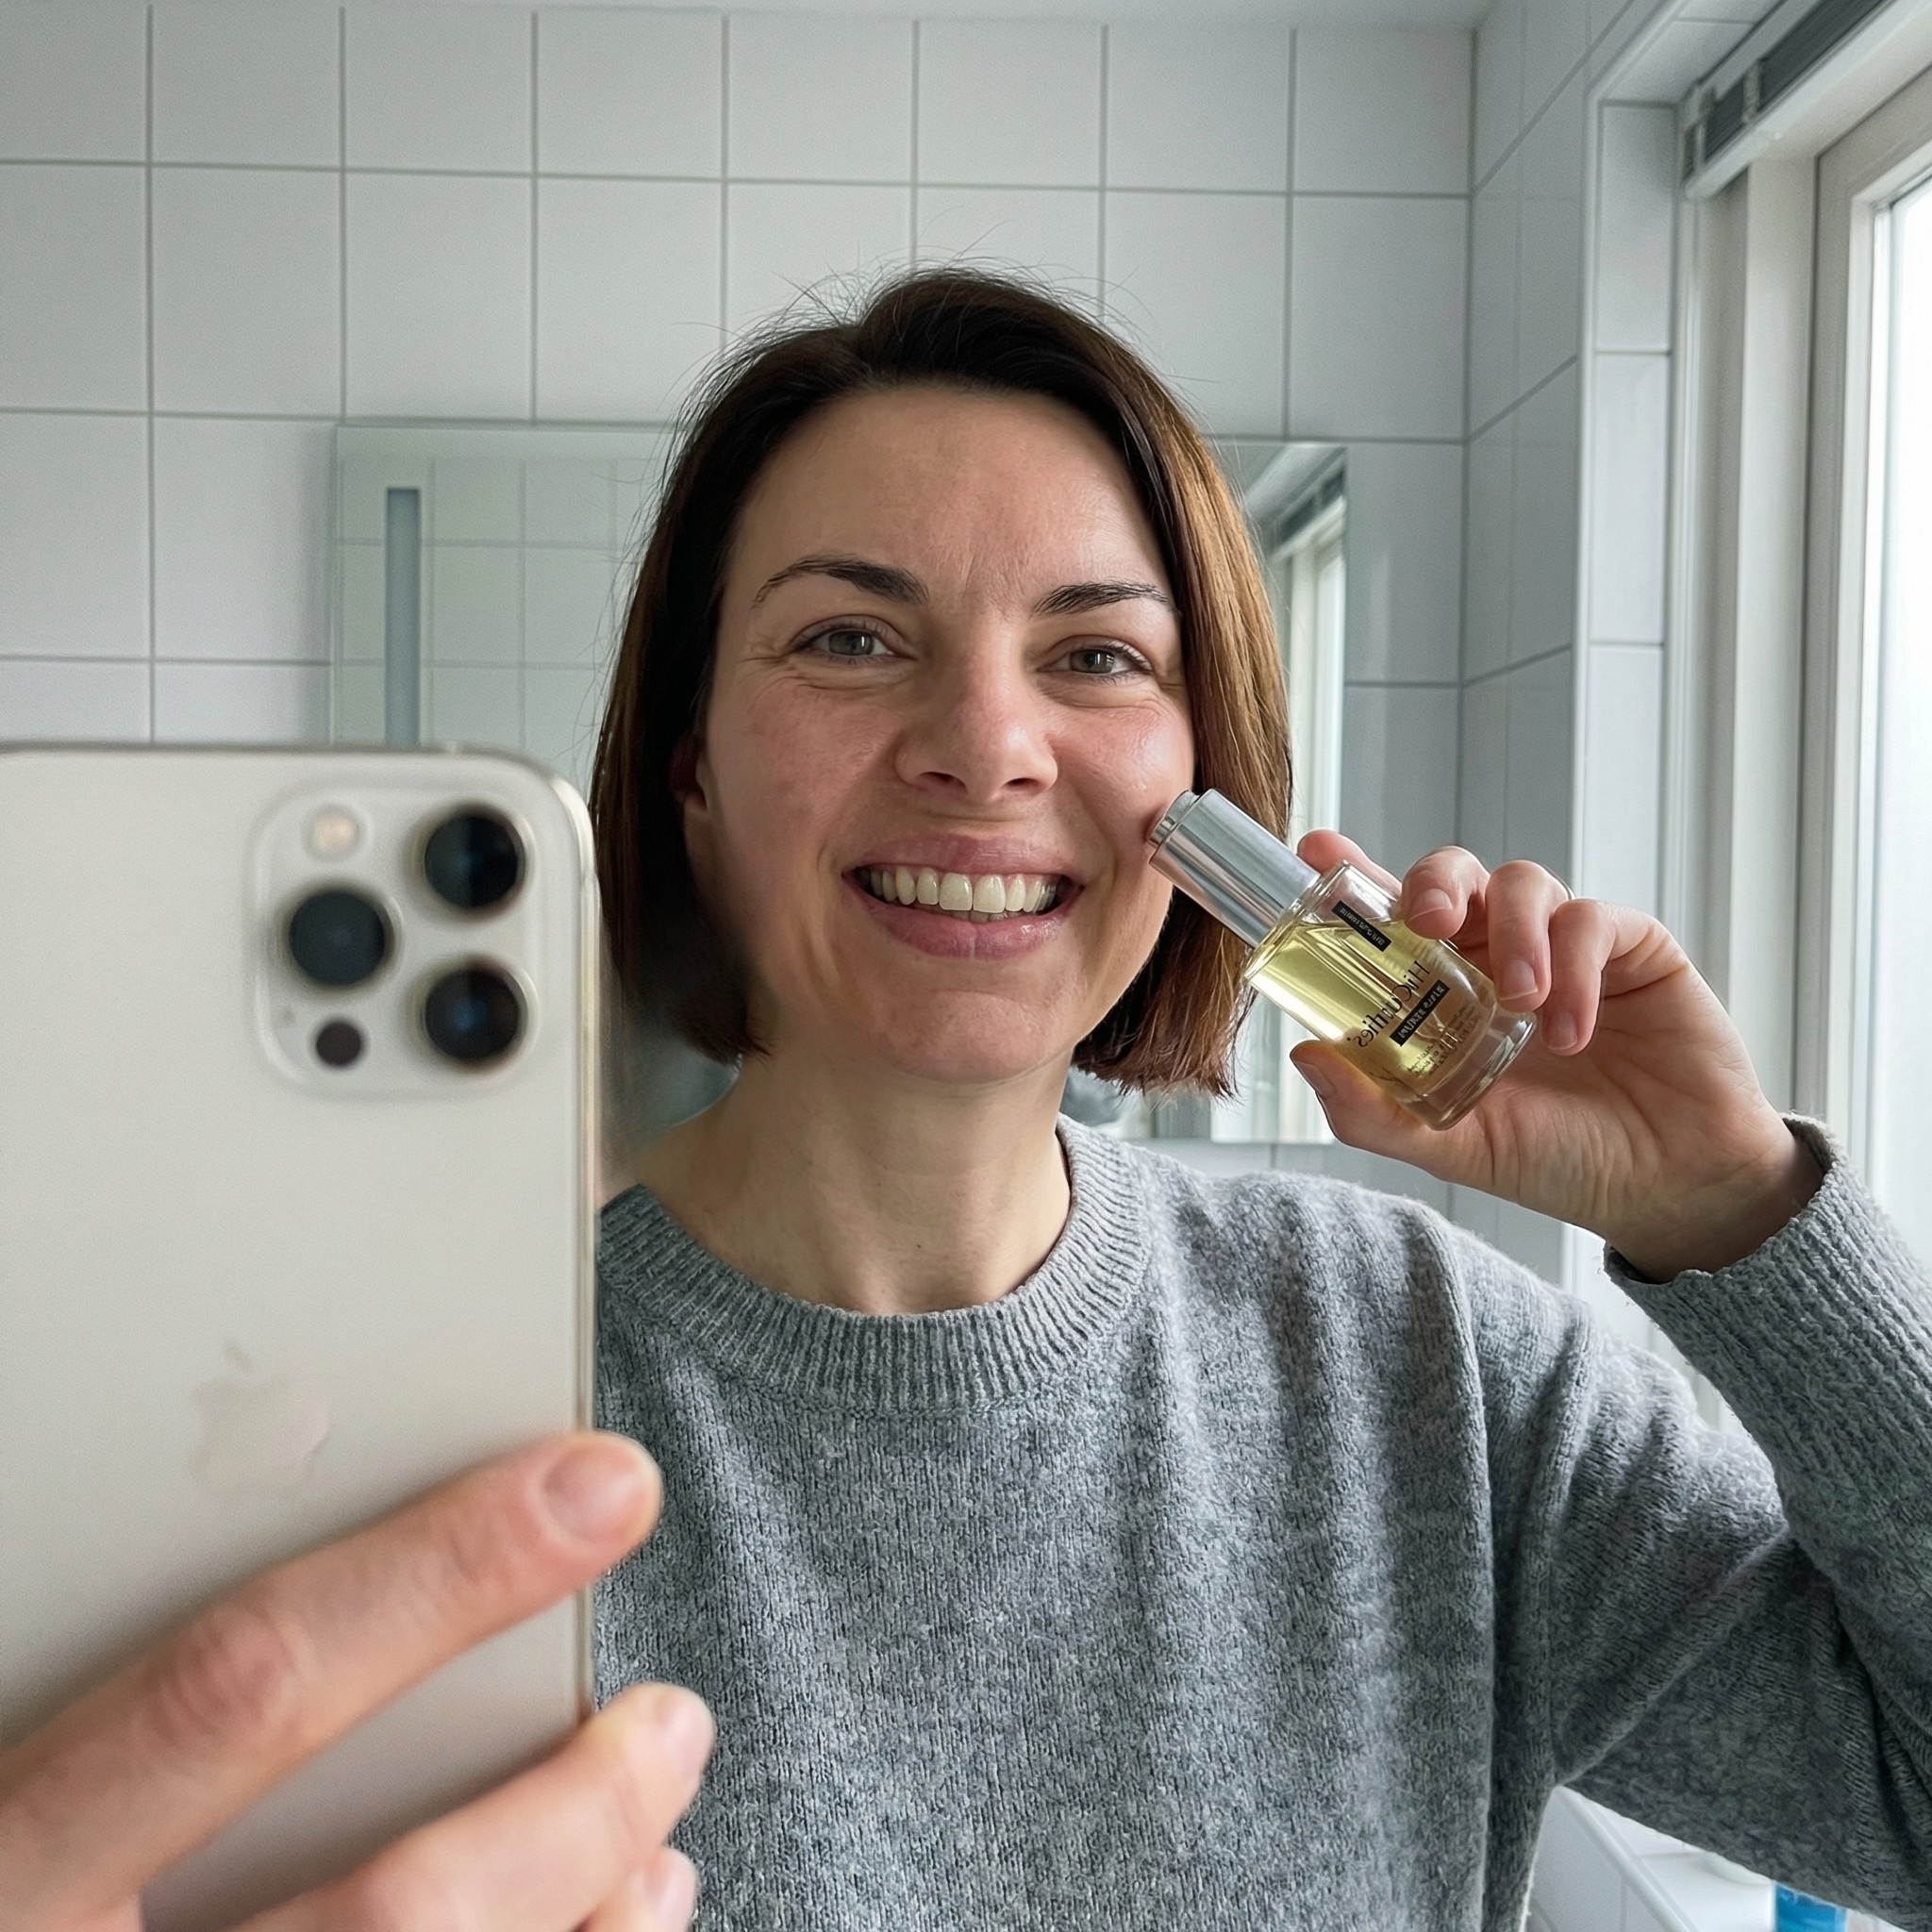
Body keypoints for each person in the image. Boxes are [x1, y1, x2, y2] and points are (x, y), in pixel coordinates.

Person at [6, 265, 1926, 1932]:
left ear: (1206, 795)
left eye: (1095, 655)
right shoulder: (437, 1423)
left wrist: (1741, 1213)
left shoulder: (1426, 1365)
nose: (986, 745)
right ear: (691, 775)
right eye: (850, 639)